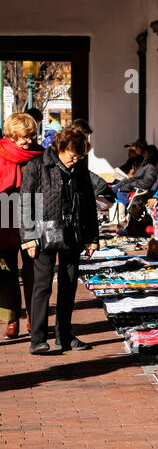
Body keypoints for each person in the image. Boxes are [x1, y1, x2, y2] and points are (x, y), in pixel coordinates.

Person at [19, 126, 99, 354]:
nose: (76, 160)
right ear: (61, 148)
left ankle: (64, 336)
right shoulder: (37, 165)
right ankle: (38, 338)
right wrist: (28, 238)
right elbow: (25, 204)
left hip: (72, 233)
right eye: (73, 155)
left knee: (69, 286)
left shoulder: (80, 169)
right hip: (43, 233)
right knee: (41, 286)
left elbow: (89, 204)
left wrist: (92, 237)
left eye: (80, 156)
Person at [0, 112, 40, 337]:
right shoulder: (0, 151)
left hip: (33, 210)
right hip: (4, 210)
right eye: (24, 137)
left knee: (33, 268)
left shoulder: (40, 155)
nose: (28, 141)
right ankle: (12, 317)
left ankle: (34, 317)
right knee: (6, 270)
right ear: (12, 135)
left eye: (31, 136)